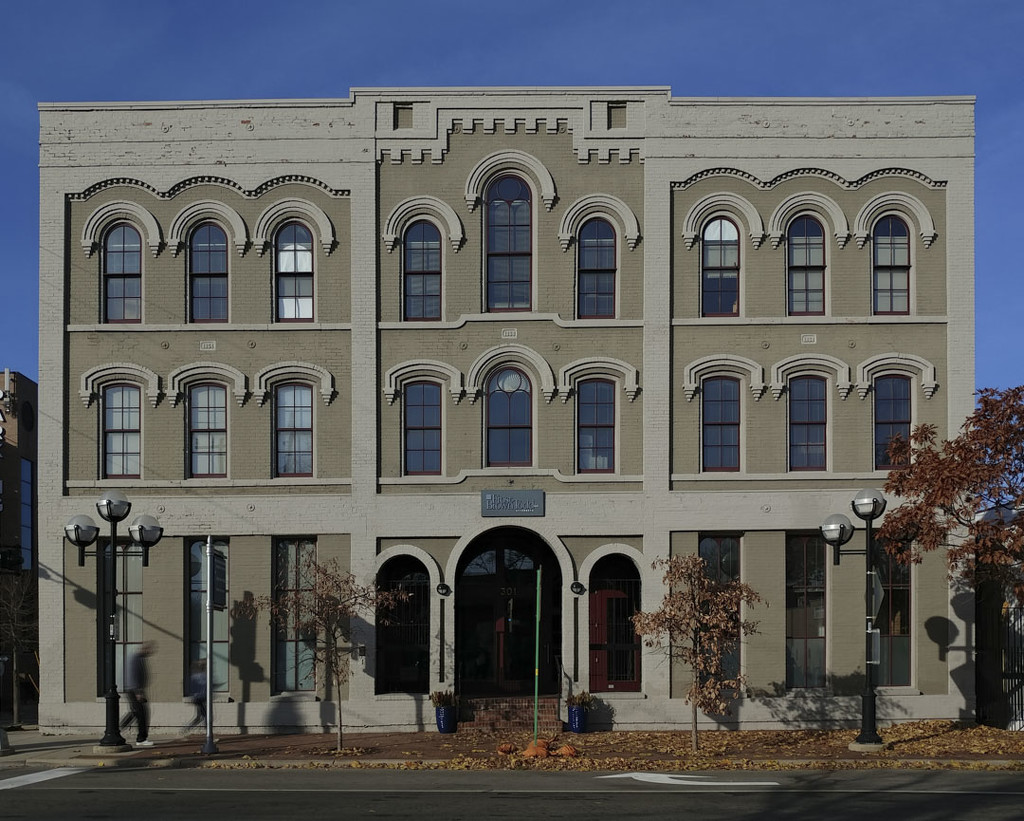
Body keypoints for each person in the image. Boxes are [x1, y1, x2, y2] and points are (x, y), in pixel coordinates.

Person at [120, 641, 155, 746]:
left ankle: (118, 729)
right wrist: (138, 692)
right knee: (142, 713)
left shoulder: (138, 658)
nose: (151, 652)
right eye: (150, 650)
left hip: (134, 689)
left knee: (136, 712)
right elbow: (133, 675)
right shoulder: (136, 659)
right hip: (134, 690)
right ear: (145, 649)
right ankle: (141, 739)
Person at [187, 659, 207, 733]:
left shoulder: (198, 676)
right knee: (205, 717)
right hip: (199, 699)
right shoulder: (201, 676)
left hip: (201, 698)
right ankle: (208, 735)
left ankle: (186, 729)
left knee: (200, 717)